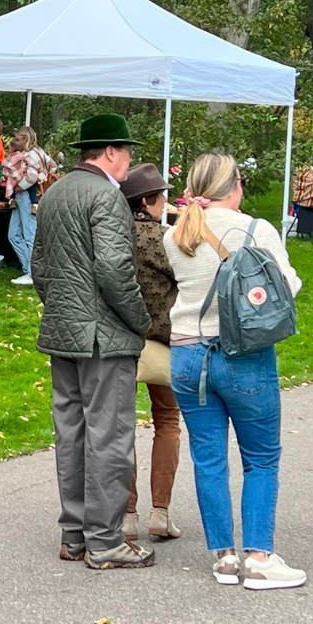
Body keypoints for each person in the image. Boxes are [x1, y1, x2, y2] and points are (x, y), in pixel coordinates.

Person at [162, 153, 307, 590]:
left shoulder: (175, 235)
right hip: (242, 352)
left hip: (187, 356)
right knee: (261, 458)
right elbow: (289, 285)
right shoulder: (255, 230)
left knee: (208, 458)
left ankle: (224, 556)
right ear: (235, 185)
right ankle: (260, 557)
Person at [29, 113, 153, 570]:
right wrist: (139, 320)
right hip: (104, 336)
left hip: (63, 330)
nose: (130, 161)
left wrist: (61, 306)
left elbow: (39, 267)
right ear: (110, 153)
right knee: (110, 436)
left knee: (72, 434)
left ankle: (75, 535)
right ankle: (105, 541)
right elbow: (114, 270)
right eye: (127, 152)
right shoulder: (107, 196)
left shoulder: (56, 191)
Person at [118, 164, 183, 545]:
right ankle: (161, 513)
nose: (165, 202)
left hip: (121, 342)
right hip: (164, 342)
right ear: (147, 201)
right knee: (168, 421)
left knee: (121, 427)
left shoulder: (112, 236)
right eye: (161, 196)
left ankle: (127, 515)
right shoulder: (167, 239)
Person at [2, 127, 57, 286]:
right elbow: (53, 166)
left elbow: (32, 176)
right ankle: (31, 269)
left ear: (26, 139)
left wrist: (18, 187)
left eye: (18, 138)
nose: (13, 141)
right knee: (14, 235)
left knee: (29, 234)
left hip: (26, 197)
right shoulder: (38, 152)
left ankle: (33, 272)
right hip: (23, 197)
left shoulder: (31, 155)